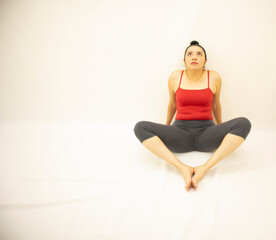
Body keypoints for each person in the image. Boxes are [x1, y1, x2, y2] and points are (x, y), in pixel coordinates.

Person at [133, 40, 251, 192]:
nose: (194, 57)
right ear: (184, 60)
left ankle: (203, 169)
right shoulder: (175, 77)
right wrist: (166, 126)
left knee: (244, 123)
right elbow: (172, 105)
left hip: (206, 134)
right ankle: (183, 168)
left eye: (199, 54)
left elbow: (216, 105)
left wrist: (221, 127)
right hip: (180, 134)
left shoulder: (214, 77)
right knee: (140, 127)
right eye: (190, 54)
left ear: (205, 60)